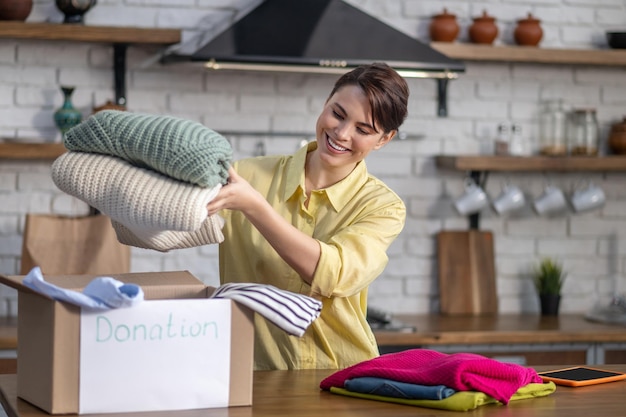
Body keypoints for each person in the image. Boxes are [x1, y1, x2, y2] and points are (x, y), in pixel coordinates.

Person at [206, 62, 409, 370]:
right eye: (337, 114)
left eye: (363, 130)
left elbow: (332, 275)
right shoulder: (247, 175)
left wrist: (255, 206)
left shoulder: (382, 206)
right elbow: (178, 225)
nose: (341, 134)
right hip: (251, 373)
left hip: (341, 375)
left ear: (384, 139)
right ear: (326, 103)